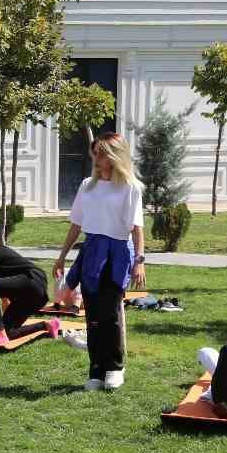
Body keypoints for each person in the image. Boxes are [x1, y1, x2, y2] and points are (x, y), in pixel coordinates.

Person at [51, 135, 145, 391]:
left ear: (115, 155)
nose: (95, 159)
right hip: (92, 251)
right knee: (92, 315)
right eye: (94, 153)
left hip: (118, 251)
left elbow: (137, 228)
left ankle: (115, 367)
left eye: (101, 153)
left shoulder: (131, 187)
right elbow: (76, 225)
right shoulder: (87, 186)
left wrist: (140, 260)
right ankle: (96, 370)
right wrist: (61, 257)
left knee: (111, 313)